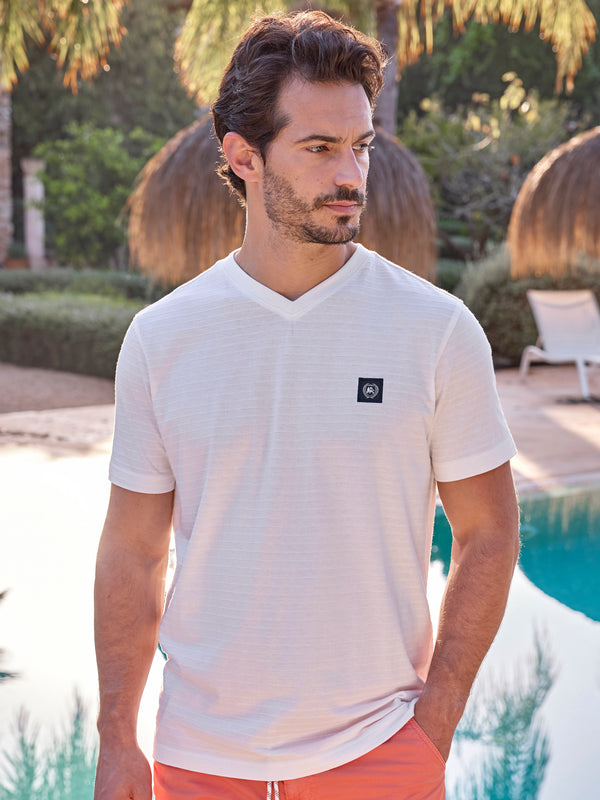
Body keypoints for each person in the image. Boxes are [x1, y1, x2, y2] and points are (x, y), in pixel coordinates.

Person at [93, 10, 520, 800]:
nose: (351, 174)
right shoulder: (163, 339)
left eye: (360, 146)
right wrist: (117, 736)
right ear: (243, 157)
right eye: (320, 148)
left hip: (380, 755)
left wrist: (435, 724)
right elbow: (134, 550)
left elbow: (489, 533)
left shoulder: (435, 330)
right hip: (199, 763)